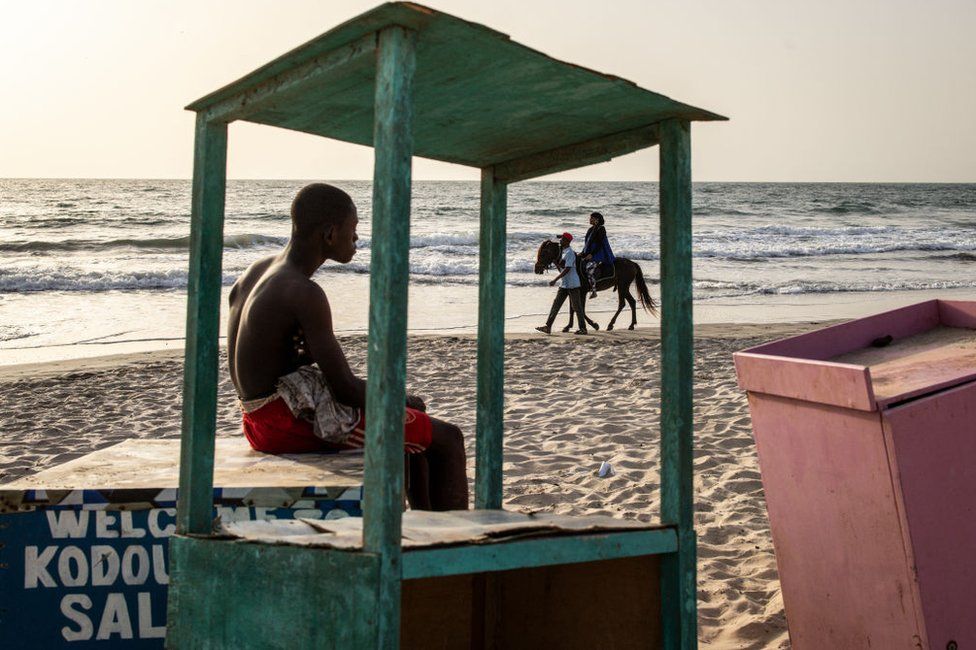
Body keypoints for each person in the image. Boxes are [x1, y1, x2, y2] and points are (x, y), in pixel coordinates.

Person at [227, 182, 468, 511]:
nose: (356, 239)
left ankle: (423, 524)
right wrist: (398, 397)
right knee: (448, 439)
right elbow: (345, 390)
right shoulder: (303, 292)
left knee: (413, 414)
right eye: (352, 230)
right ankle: (451, 548)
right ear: (329, 233)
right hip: (284, 425)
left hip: (255, 418)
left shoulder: (258, 271)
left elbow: (263, 357)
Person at [535, 232, 587, 335]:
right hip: (564, 284)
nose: (560, 241)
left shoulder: (570, 253)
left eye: (562, 239)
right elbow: (562, 269)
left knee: (577, 307)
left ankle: (583, 328)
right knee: (556, 305)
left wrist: (555, 279)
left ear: (567, 241)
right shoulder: (563, 252)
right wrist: (556, 263)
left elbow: (567, 269)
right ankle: (548, 327)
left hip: (572, 284)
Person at [580, 211, 615, 299]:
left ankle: (593, 290)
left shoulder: (601, 229)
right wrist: (583, 252)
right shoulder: (591, 229)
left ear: (597, 219)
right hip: (589, 253)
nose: (590, 219)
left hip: (599, 254)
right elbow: (587, 243)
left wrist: (592, 254)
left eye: (591, 218)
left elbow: (599, 244)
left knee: (589, 269)